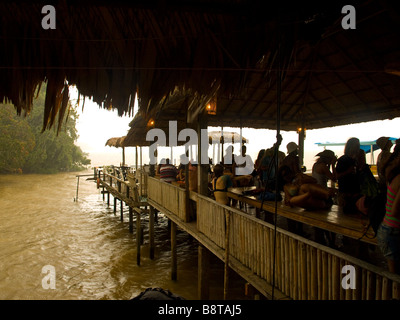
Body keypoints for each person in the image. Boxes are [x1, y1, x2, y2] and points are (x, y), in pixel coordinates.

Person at [377, 146, 400, 274]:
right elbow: (395, 211)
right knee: (395, 276)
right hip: (393, 231)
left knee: (394, 273)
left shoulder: (393, 175)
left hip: (387, 229)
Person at [335, 137, 364, 214]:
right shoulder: (343, 159)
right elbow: (337, 176)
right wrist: (348, 171)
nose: (358, 147)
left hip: (356, 192)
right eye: (356, 145)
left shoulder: (356, 160)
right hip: (345, 193)